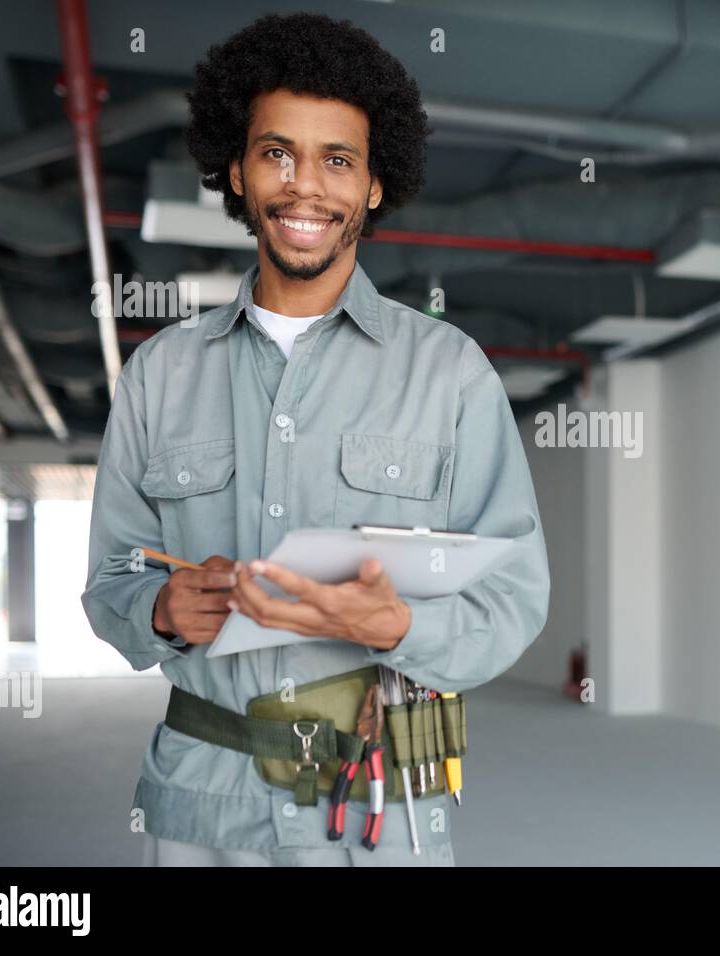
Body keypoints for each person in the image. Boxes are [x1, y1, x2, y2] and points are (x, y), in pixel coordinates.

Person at [81, 12, 550, 867]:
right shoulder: (159, 375)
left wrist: (398, 621)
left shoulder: (450, 374)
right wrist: (160, 609)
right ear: (237, 169)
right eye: (276, 153)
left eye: (338, 160)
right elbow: (112, 578)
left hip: (377, 808)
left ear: (373, 185)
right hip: (202, 815)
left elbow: (512, 599)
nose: (307, 187)